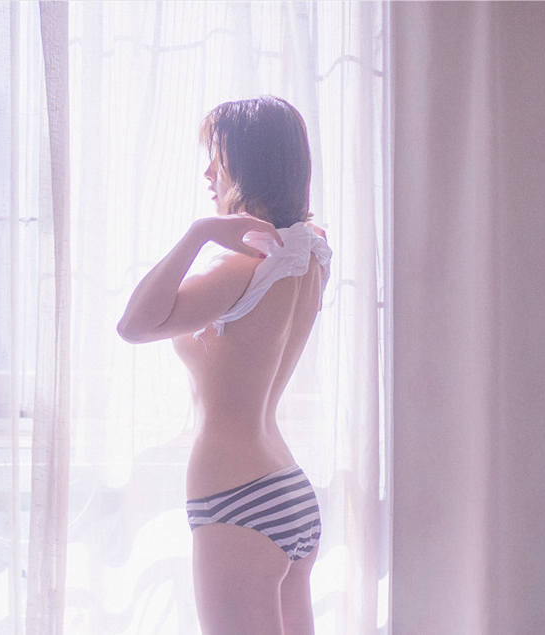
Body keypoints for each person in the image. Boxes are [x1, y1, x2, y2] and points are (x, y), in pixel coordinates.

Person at [116, 96, 329, 634]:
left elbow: (134, 324)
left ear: (252, 165)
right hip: (287, 489)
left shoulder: (240, 268)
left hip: (237, 499)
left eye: (220, 158)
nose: (208, 173)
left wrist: (201, 232)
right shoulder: (309, 250)